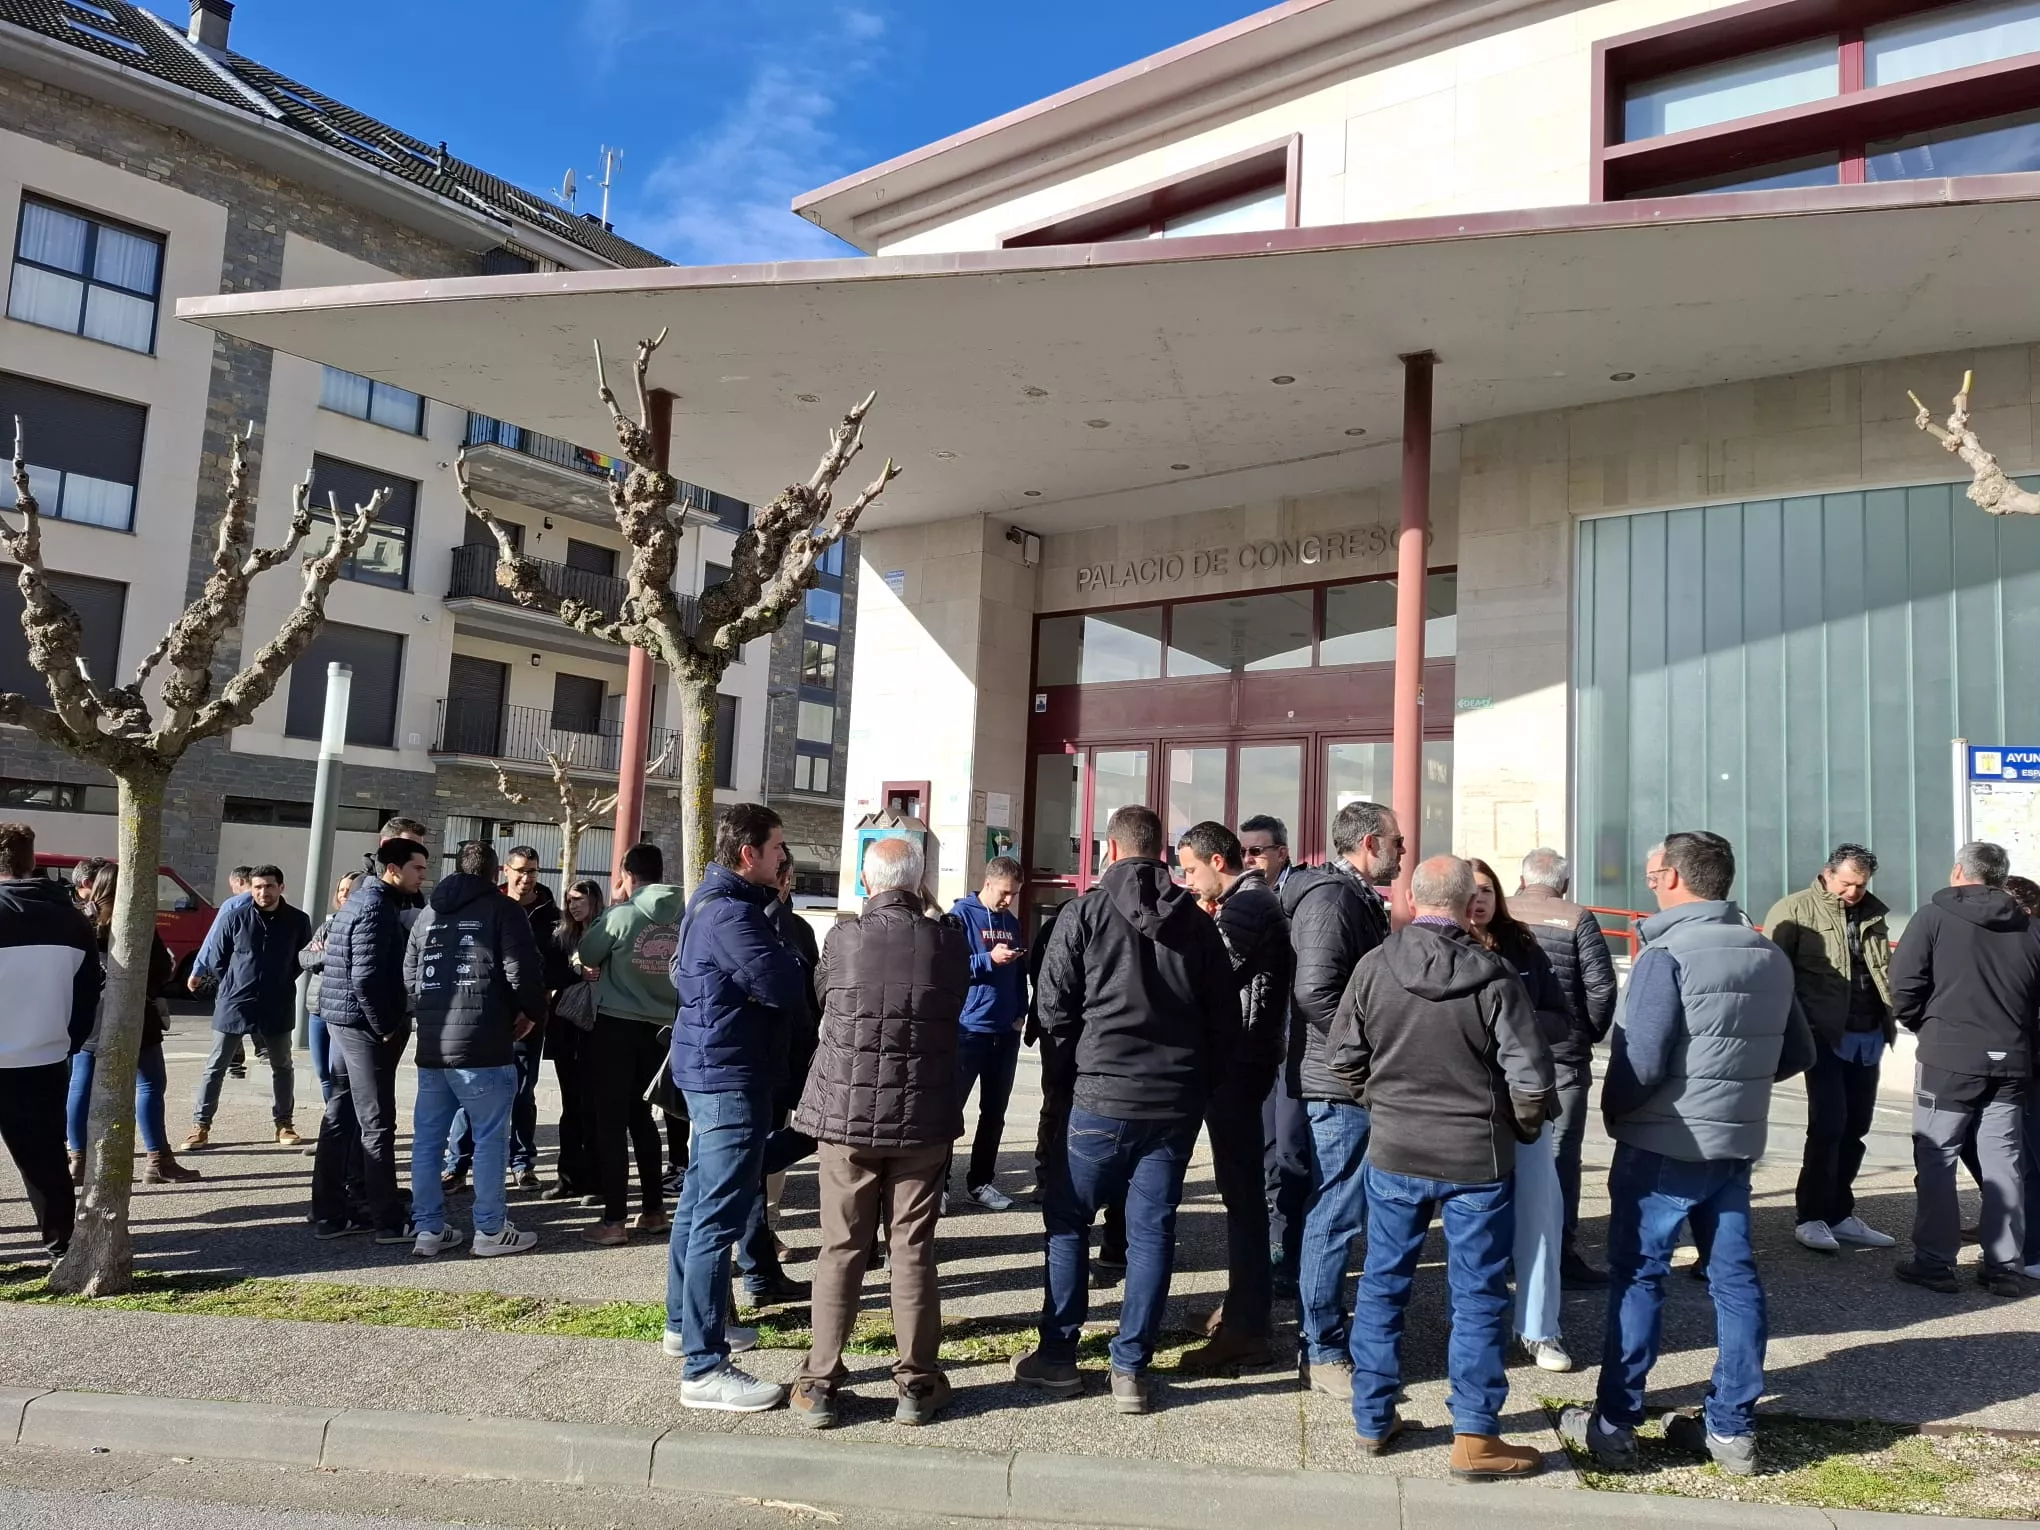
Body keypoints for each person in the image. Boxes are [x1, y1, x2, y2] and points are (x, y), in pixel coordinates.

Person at [1561, 831, 1813, 1479]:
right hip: (1734, 1140)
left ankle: (1615, 1424)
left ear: (1672, 877)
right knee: (1735, 1280)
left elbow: (1638, 1062)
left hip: (1660, 1141)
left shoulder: (1664, 955)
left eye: (1651, 871)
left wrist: (1617, 1113)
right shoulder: (1766, 953)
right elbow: (1797, 1053)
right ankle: (1732, 1428)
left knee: (1640, 1278)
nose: (1646, 880)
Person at [1326, 854, 1554, 1478]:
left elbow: (1343, 1056)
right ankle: (1475, 1436)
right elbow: (1531, 1079)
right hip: (1475, 1156)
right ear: (1462, 902)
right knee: (1478, 1294)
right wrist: (1520, 1128)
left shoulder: (1375, 966)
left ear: (1412, 897)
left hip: (1395, 1148)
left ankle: (1372, 1416)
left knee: (1381, 1282)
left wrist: (1380, 1102)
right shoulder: (1494, 975)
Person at [1013, 804, 1236, 1416]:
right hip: (1172, 1100)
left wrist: (1062, 1086)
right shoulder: (1197, 923)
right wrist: (1200, 1085)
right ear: (1161, 852)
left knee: (1068, 1226)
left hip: (1099, 1093)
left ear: (1109, 851)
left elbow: (1053, 1008)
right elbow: (1224, 1019)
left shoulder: (1082, 912)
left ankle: (1058, 1355)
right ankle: (1130, 1367)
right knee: (1151, 1233)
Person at [788, 837, 970, 1428]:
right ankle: (917, 1381)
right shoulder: (947, 940)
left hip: (846, 1115)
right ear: (920, 883)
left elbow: (823, 999)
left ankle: (819, 1381)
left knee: (840, 1247)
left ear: (867, 882)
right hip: (922, 1117)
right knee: (911, 1247)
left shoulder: (842, 937)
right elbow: (956, 998)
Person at [665, 804, 808, 1413]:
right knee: (716, 1218)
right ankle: (704, 1367)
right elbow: (784, 985)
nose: (784, 858)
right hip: (728, 1076)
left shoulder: (714, 903)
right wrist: (791, 956)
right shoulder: (731, 913)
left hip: (718, 1068)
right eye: (777, 848)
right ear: (748, 853)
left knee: (701, 1202)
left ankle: (685, 1327)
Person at [1282, 799, 1401, 1399]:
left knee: (1341, 1207)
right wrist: (1358, 1052)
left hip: (1347, 1077)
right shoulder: (1332, 900)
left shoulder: (1354, 898)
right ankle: (1322, 1347)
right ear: (1370, 842)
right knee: (1337, 1210)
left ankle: (1325, 1333)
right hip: (1338, 1082)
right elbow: (1315, 990)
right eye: (1398, 843)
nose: (1403, 854)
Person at [1889, 840, 2040, 1299]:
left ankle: (1935, 1262)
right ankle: (2004, 1267)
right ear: (1999, 876)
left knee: (1937, 1156)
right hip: (2012, 1062)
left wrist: (1926, 1027)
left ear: (1958, 872)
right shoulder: (2030, 928)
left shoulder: (1933, 917)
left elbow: (1903, 985)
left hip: (1948, 1061)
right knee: (2004, 1162)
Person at [1175, 821, 1293, 1372]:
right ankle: (1241, 1310)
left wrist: (1191, 927)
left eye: (1192, 870)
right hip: (1244, 1060)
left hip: (1241, 1064)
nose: (1188, 881)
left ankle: (1246, 1324)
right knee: (1240, 1194)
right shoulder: (1247, 901)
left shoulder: (1249, 904)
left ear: (1218, 863)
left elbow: (1211, 973)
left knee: (1244, 1199)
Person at [405, 840, 546, 1259]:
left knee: (428, 1142)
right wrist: (532, 1013)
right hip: (484, 1044)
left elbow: (410, 975)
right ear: (495, 873)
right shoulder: (503, 911)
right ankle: (490, 1229)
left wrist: (428, 1011)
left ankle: (428, 1229)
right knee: (489, 1139)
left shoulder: (428, 913)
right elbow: (522, 970)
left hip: (433, 1045)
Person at [1765, 843, 1900, 1255]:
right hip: (1820, 1034)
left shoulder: (1874, 913)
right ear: (1827, 873)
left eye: (1860, 885)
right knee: (1827, 1126)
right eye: (1846, 883)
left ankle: (1841, 1213)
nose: (1853, 892)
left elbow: (1880, 970)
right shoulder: (1793, 910)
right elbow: (1773, 974)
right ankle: (1811, 1216)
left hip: (1869, 1034)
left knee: (1856, 1127)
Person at [1467, 858, 1574, 1373]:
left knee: (1539, 1215)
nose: (1480, 899)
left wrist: (1517, 1023)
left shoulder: (1525, 945)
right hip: (1463, 1106)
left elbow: (1562, 1017)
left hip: (1527, 1102)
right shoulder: (1436, 947)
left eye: (1488, 889)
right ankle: (1471, 1326)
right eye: (1470, 890)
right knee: (1473, 1226)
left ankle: (1540, 1329)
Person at [310, 838, 429, 1242]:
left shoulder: (365, 901)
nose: (422, 876)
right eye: (418, 868)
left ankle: (329, 1214)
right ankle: (389, 1222)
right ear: (392, 869)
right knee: (377, 1122)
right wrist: (383, 1025)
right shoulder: (376, 907)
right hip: (361, 1026)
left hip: (343, 1020)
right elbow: (364, 977)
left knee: (340, 1115)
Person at [1514, 847, 1618, 1285]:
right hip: (1564, 1058)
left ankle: (1508, 1253)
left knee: (1510, 1156)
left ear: (1521, 880)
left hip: (1509, 1057)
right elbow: (1601, 986)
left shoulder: (1499, 912)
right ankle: (1560, 1254)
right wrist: (1586, 1035)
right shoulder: (1578, 917)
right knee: (1561, 1159)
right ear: (1565, 884)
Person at [0, 822, 101, 1261]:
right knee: (46, 1163)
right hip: (43, 1057)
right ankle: (61, 1248)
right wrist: (66, 1042)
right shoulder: (73, 921)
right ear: (32, 859)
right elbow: (86, 997)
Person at [576, 842, 686, 1247]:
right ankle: (654, 1209)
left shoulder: (620, 915)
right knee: (645, 1119)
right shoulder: (686, 912)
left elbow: (588, 952)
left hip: (617, 1025)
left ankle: (614, 1219)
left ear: (628, 875)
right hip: (663, 1029)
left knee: (611, 1123)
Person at [66, 861, 198, 1187]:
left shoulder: (81, 921)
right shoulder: (136, 922)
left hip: (89, 1012)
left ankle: (77, 1158)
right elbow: (159, 970)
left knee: (80, 1084)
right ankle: (158, 1160)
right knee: (150, 1083)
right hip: (136, 1010)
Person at [442, 846, 563, 1195]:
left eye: (534, 871)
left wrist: (532, 1011)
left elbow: (550, 970)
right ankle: (457, 1165)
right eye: (521, 870)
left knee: (523, 1094)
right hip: (487, 1018)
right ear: (504, 872)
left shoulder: (549, 917)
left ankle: (522, 1163)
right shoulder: (487, 908)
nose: (527, 878)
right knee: (473, 1093)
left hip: (530, 1019)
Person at [185, 865, 311, 1149]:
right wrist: (234, 982)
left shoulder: (298, 920)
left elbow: (300, 959)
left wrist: (278, 979)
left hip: (277, 1001)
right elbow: (218, 959)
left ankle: (284, 1124)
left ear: (281, 887)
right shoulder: (234, 917)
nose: (262, 892)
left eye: (268, 886)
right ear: (250, 888)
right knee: (216, 1066)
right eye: (257, 887)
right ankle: (200, 1126)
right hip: (234, 1001)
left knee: (282, 1065)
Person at [950, 856, 1027, 1213]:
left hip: (1004, 1033)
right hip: (968, 1031)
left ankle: (981, 1183)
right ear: (989, 882)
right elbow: (946, 967)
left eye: (1014, 895)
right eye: (1005, 893)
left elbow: (1018, 972)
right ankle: (939, 1185)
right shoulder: (961, 917)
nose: (1009, 901)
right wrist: (987, 960)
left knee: (994, 1113)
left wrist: (1020, 1013)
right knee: (950, 1113)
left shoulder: (1011, 923)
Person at [543, 878, 607, 1205]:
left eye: (579, 899)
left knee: (594, 1106)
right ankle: (567, 1177)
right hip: (566, 1026)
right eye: (569, 900)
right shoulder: (560, 936)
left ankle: (597, 1179)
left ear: (594, 900)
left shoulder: (608, 931)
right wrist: (578, 974)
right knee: (571, 1106)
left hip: (599, 1026)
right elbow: (549, 975)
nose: (573, 906)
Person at [302, 870, 364, 1111]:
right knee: (322, 1072)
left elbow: (351, 960)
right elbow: (305, 957)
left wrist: (325, 954)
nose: (345, 895)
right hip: (317, 1007)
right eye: (341, 890)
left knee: (339, 1073)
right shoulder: (327, 926)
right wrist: (329, 955)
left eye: (350, 890)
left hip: (342, 1011)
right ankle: (333, 1122)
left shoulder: (360, 925)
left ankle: (341, 1126)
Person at [216, 866, 253, 1080]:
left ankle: (235, 1064)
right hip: (255, 975)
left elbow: (214, 941)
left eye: (233, 887)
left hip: (234, 974)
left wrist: (199, 969)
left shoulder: (232, 905)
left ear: (240, 881)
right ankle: (263, 1051)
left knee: (230, 1017)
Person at [362, 818, 430, 909]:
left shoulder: (412, 891)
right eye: (409, 846)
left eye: (420, 848)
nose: (418, 853)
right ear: (385, 844)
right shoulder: (361, 888)